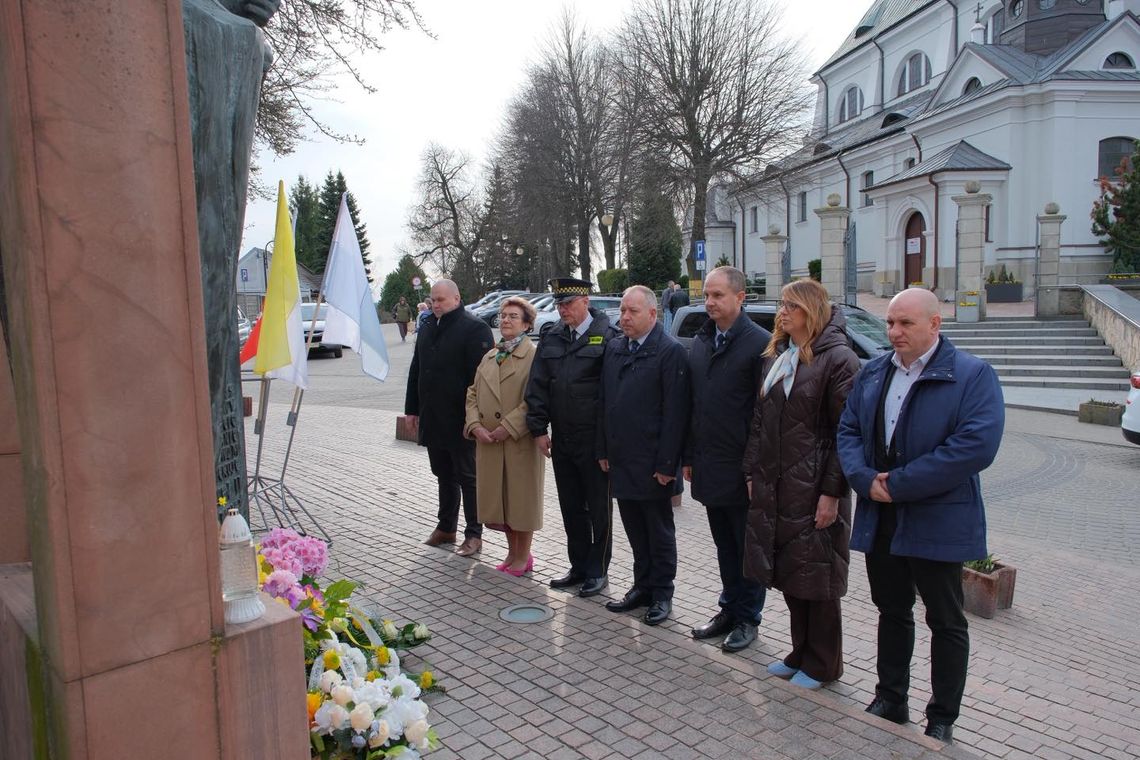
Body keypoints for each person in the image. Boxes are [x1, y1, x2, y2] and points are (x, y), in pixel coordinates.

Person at [837, 287, 1004, 745]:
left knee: (945, 619)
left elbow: (974, 447)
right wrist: (862, 478)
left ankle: (942, 716)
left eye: (905, 323)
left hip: (938, 519)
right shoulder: (873, 372)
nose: (894, 332)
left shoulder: (971, 375)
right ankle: (891, 697)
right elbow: (848, 429)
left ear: (935, 324)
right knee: (891, 610)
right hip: (882, 517)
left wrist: (898, 484)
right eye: (890, 322)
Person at [743, 278, 860, 690]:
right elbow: (759, 423)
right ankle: (800, 652)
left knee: (818, 577)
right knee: (792, 573)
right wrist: (752, 472)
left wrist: (832, 492)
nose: (782, 312)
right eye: (781, 306)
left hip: (814, 488)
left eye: (791, 306)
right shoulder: (780, 355)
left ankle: (824, 663)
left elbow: (845, 433)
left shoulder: (840, 360)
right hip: (778, 484)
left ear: (811, 309)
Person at [683, 266, 771, 653]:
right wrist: (688, 456)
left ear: (740, 298)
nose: (710, 302)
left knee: (746, 546)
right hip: (709, 462)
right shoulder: (702, 341)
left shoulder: (761, 344)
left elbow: (764, 415)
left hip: (743, 469)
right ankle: (728, 608)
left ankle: (748, 617)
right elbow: (693, 406)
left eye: (718, 296)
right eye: (707, 296)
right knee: (723, 544)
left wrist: (754, 468)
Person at [599, 285, 690, 626]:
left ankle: (662, 593)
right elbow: (605, 403)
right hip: (622, 459)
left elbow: (675, 414)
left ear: (653, 314)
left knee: (658, 532)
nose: (624, 317)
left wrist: (669, 465)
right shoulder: (616, 348)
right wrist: (603, 449)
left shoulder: (669, 352)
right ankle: (642, 586)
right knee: (635, 531)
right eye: (622, 310)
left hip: (655, 465)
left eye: (632, 312)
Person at [525, 278, 620, 598]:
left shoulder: (607, 336)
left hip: (594, 442)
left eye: (568, 304)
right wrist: (538, 429)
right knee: (571, 508)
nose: (562, 310)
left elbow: (612, 395)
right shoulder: (552, 336)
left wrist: (608, 443)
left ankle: (598, 570)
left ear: (585, 301)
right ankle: (578, 565)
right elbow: (537, 386)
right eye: (558, 304)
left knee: (598, 509)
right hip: (562, 438)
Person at [405, 280, 494, 557]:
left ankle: (474, 533)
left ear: (457, 297)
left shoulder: (474, 328)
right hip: (433, 415)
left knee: (468, 476)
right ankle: (446, 527)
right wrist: (412, 409)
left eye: (441, 299)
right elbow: (416, 369)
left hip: (461, 419)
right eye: (433, 300)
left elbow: (480, 381)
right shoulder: (429, 326)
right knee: (443, 473)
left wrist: (475, 419)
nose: (436, 304)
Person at [465, 297, 544, 575]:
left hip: (517, 442)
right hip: (489, 443)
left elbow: (535, 398)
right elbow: (472, 393)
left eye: (513, 316)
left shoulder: (534, 355)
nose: (506, 321)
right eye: (503, 316)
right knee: (504, 505)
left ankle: (524, 556)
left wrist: (508, 427)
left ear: (527, 324)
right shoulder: (490, 355)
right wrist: (475, 425)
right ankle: (512, 554)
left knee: (521, 503)